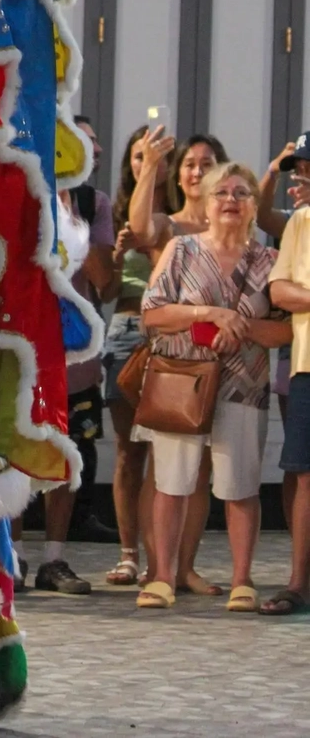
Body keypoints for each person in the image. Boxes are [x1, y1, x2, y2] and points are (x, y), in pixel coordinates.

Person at [138, 162, 290, 611]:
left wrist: (240, 326)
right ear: (205, 204)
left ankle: (243, 580)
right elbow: (153, 314)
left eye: (242, 194)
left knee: (240, 485)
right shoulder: (181, 250)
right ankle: (164, 576)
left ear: (253, 206)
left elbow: (285, 331)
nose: (231, 200)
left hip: (244, 384)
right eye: (222, 192)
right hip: (181, 382)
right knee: (172, 481)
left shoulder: (270, 262)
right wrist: (209, 315)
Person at [129, 129, 227, 595]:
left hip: (216, 365)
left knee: (201, 469)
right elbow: (143, 229)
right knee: (161, 466)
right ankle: (157, 567)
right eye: (190, 163)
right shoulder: (170, 226)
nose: (197, 171)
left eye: (207, 164)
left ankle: (185, 566)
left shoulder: (232, 223)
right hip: (171, 361)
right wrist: (150, 164)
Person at [34, 169, 116, 596]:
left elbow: (107, 281)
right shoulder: (19, 182)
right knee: (10, 452)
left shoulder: (92, 202)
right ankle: (9, 556)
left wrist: (74, 217)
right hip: (21, 348)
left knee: (67, 459)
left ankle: (54, 558)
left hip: (75, 358)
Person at [103, 126, 173, 587]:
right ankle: (129, 555)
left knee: (164, 453)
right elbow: (106, 290)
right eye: (135, 155)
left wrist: (147, 246)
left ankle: (161, 560)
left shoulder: (180, 217)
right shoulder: (113, 212)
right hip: (125, 330)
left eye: (151, 155)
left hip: (168, 337)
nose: (142, 162)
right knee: (129, 453)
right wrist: (115, 255)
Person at [262, 134, 310, 614]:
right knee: (303, 472)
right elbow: (280, 293)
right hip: (307, 366)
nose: (303, 176)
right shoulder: (301, 222)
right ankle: (298, 581)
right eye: (300, 169)